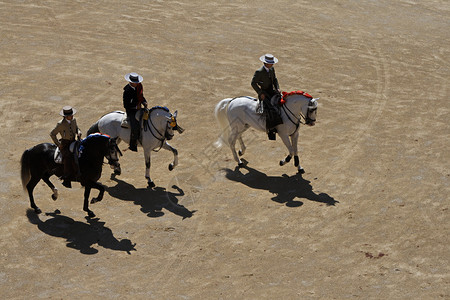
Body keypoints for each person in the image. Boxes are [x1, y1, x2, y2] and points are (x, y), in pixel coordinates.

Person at [251, 53, 283, 140]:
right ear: (265, 63)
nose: (272, 64)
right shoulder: (259, 72)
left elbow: (275, 79)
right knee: (270, 109)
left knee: (281, 102)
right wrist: (260, 92)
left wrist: (278, 88)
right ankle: (271, 130)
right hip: (264, 93)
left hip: (272, 91)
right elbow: (253, 83)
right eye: (270, 63)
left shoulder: (272, 69)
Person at [50, 106, 82, 188]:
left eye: (72, 115)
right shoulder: (60, 124)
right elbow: (52, 134)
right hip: (65, 144)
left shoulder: (74, 120)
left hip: (74, 141)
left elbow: (77, 128)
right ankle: (66, 179)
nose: (72, 116)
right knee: (68, 157)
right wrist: (58, 144)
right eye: (70, 115)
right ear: (65, 116)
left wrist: (78, 132)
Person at [123, 72, 148, 152]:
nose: (137, 84)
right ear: (131, 82)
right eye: (135, 82)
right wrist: (135, 106)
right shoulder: (127, 91)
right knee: (135, 126)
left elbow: (141, 96)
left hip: (139, 107)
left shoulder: (138, 86)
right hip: (131, 110)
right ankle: (133, 144)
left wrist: (144, 102)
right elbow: (126, 105)